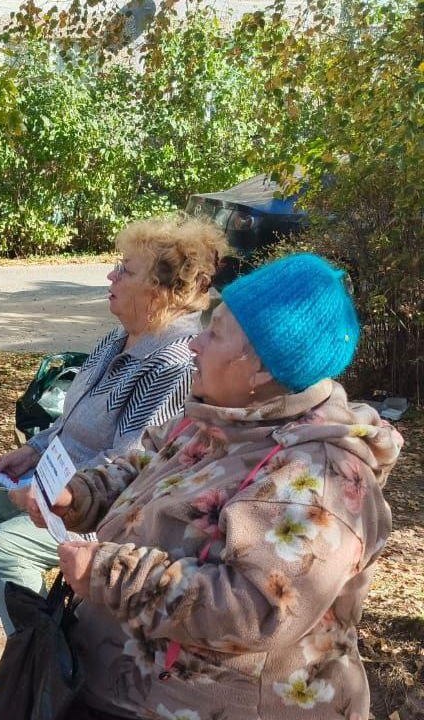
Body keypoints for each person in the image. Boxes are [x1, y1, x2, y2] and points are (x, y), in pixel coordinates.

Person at [30, 253, 403, 720]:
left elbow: (254, 611)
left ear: (262, 369)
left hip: (201, 706)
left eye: (214, 333)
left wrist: (111, 575)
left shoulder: (317, 482)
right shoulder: (223, 414)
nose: (193, 345)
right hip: (128, 683)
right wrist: (79, 495)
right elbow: (148, 461)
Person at [0, 217, 228, 633]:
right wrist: (32, 452)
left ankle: (42, 658)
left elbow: (133, 462)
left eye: (125, 270)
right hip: (64, 483)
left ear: (161, 292)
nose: (111, 275)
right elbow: (72, 419)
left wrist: (58, 493)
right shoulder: (118, 337)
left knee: (5, 546)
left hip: (106, 510)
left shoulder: (174, 362)